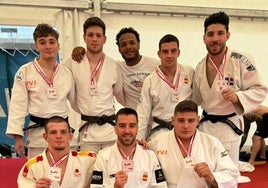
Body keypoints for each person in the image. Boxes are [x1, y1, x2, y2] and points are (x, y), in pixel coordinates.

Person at [192, 11, 267, 166]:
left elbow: (260, 89)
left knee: (228, 174)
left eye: (220, 33)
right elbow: (194, 99)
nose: (215, 39)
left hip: (228, 127)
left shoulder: (241, 60)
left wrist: (238, 97)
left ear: (227, 35)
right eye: (210, 34)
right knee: (205, 173)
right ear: (204, 38)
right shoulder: (199, 67)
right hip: (205, 128)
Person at [6, 23, 76, 159]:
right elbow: (17, 106)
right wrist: (17, 137)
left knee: (63, 173)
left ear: (58, 45)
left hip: (62, 132)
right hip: (38, 134)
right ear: (36, 46)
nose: (48, 46)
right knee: (37, 175)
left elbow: (77, 101)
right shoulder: (25, 71)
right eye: (42, 42)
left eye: (52, 42)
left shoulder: (67, 73)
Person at [64, 17, 125, 153]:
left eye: (98, 35)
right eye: (90, 35)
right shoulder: (72, 63)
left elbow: (119, 94)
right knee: (88, 172)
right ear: (84, 37)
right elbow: (63, 89)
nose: (94, 39)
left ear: (104, 39)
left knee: (111, 171)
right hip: (87, 131)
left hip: (110, 131)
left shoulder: (113, 65)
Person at [149, 100, 239, 188]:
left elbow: (232, 175)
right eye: (181, 120)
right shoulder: (157, 142)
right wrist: (141, 146)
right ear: (173, 120)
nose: (186, 126)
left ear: (198, 120)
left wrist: (212, 177)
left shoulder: (212, 143)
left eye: (191, 121)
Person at [71, 27, 160, 109]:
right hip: (134, 120)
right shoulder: (116, 67)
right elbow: (97, 57)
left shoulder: (155, 64)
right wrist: (80, 49)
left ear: (139, 44)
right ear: (119, 49)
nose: (128, 47)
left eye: (132, 43)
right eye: (123, 44)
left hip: (156, 120)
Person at [90, 107, 167, 187]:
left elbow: (160, 186)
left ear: (137, 129)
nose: (127, 131)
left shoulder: (150, 156)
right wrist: (115, 186)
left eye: (132, 126)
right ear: (115, 129)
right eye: (122, 126)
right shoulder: (103, 157)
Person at [136, 34, 193, 140]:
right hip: (160, 131)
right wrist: (139, 139)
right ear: (159, 54)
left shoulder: (189, 72)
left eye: (173, 51)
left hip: (186, 130)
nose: (169, 55)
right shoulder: (150, 80)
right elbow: (143, 113)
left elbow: (197, 99)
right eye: (165, 52)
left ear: (178, 52)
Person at [17, 116, 96, 188]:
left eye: (63, 132)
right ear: (45, 137)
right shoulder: (32, 166)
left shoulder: (89, 160)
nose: (58, 136)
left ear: (70, 136)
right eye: (53, 132)